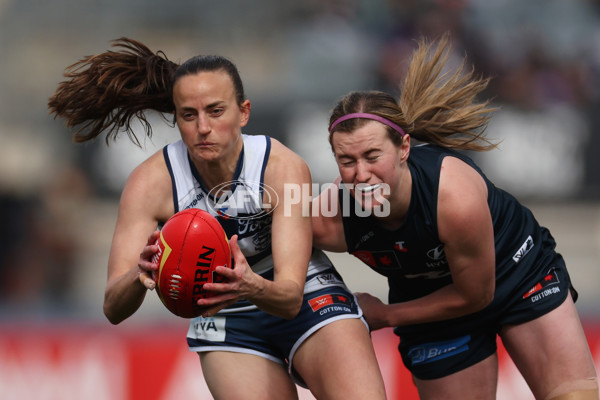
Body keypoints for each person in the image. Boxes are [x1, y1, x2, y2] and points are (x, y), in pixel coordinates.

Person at [48, 38, 386, 400]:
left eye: (216, 111)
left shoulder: (280, 167)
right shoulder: (150, 183)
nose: (203, 128)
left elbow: (288, 297)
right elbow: (113, 307)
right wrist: (141, 272)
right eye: (188, 115)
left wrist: (250, 285)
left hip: (304, 294)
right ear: (175, 119)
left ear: (243, 112)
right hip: (226, 314)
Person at [312, 34, 599, 400]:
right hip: (429, 306)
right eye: (347, 161)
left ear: (403, 148)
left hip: (517, 274)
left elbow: (477, 294)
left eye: (372, 156)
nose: (361, 174)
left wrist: (384, 315)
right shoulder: (331, 217)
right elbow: (268, 243)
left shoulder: (453, 197)